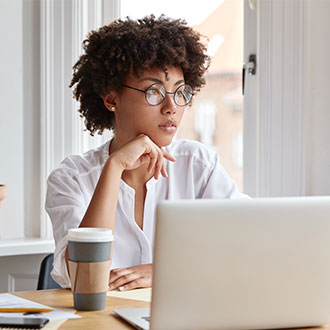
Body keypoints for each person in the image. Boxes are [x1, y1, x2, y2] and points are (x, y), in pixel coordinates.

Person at [46, 15, 248, 291]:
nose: (171, 107)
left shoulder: (198, 165)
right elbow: (83, 278)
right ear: (111, 99)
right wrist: (114, 167)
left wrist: (167, 270)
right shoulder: (71, 178)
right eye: (153, 91)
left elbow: (246, 243)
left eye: (180, 92)